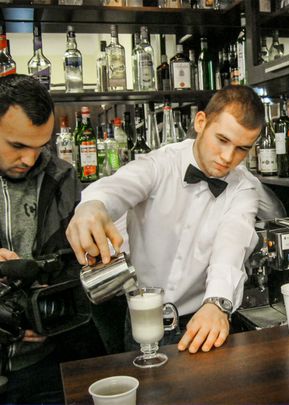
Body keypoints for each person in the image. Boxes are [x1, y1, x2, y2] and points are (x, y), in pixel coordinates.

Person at [66, 85, 265, 353]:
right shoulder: (160, 164)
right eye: (222, 140)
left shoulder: (243, 189)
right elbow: (118, 186)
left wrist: (217, 303)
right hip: (142, 316)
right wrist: (92, 206)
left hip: (201, 321)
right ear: (201, 122)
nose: (228, 157)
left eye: (242, 149)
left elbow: (232, 244)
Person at [0, 74, 104, 403]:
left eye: (40, 146)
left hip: (44, 366)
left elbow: (75, 268)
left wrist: (48, 310)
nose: (30, 160)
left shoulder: (62, 176)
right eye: (18, 146)